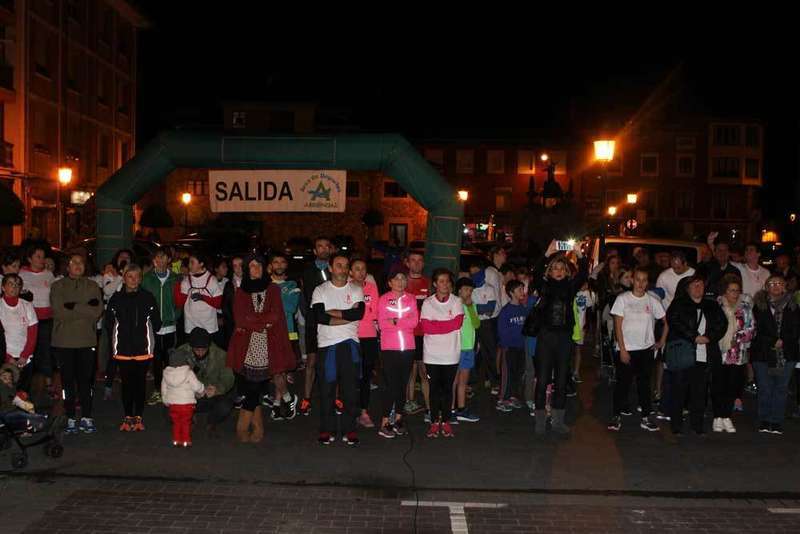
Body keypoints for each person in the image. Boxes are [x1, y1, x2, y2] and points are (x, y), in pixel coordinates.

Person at [227, 254, 292, 443]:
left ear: (264, 268)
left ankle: (245, 427)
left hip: (267, 346)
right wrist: (262, 322)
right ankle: (253, 428)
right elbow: (241, 318)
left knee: (255, 388)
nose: (255, 269)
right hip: (246, 347)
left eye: (258, 266)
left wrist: (254, 321)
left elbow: (276, 316)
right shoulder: (241, 291)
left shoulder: (273, 289)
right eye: (251, 266)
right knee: (252, 388)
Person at [530, 240, 588, 436]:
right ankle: (540, 420)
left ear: (566, 271)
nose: (559, 271)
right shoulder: (544, 286)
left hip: (564, 338)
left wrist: (580, 254)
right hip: (546, 337)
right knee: (543, 379)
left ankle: (558, 421)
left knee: (562, 381)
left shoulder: (571, 287)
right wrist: (547, 254)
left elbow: (583, 274)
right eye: (555, 268)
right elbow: (536, 273)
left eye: (562, 268)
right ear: (550, 271)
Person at [311, 253, 365, 446]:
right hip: (327, 345)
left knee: (350, 391)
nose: (343, 269)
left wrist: (332, 314)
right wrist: (347, 316)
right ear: (330, 268)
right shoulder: (320, 290)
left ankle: (350, 430)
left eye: (345, 265)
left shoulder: (356, 289)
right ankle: (327, 429)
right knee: (326, 391)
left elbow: (358, 314)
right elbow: (320, 317)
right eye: (339, 265)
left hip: (350, 344)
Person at [665, 275, 727, 435]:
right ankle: (676, 425)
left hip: (704, 355)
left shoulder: (712, 305)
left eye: (701, 285)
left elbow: (722, 324)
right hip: (683, 355)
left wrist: (709, 337)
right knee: (679, 391)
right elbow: (674, 321)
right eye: (694, 285)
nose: (698, 288)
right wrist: (693, 337)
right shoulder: (679, 304)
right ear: (687, 289)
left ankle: (697, 425)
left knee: (699, 392)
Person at [607, 267, 667, 432]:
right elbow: (618, 326)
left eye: (644, 280)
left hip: (646, 350)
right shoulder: (623, 299)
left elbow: (665, 321)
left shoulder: (652, 301)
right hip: (627, 349)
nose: (641, 283)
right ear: (632, 280)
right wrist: (623, 349)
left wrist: (661, 341)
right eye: (638, 279)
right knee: (623, 384)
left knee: (644, 385)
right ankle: (616, 416)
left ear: (647, 282)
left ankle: (646, 417)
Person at [50, 254, 103, 434]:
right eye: (74, 262)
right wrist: (84, 307)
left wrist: (73, 306)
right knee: (67, 381)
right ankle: (70, 416)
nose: (78, 265)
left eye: (81, 262)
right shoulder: (58, 286)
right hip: (64, 341)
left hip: (86, 340)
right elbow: (59, 312)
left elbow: (96, 312)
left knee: (86, 381)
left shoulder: (92, 286)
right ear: (67, 267)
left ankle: (87, 416)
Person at [105, 264, 162, 432]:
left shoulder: (147, 297)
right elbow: (109, 323)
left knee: (140, 383)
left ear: (141, 279)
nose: (133, 280)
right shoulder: (116, 299)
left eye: (137, 276)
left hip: (142, 348)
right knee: (126, 383)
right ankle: (127, 416)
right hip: (123, 349)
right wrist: (117, 340)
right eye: (130, 276)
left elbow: (156, 323)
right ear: (124, 278)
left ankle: (138, 417)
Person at [750, 274, 799, 435]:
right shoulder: (759, 306)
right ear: (766, 287)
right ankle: (764, 419)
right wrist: (773, 341)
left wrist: (783, 340)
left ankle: (776, 421)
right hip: (762, 352)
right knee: (765, 388)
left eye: (779, 283)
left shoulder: (793, 305)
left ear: (784, 286)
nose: (776, 286)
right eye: (772, 283)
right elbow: (756, 329)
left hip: (787, 352)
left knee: (781, 389)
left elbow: (796, 328)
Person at [420, 268, 463, 438]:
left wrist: (437, 324)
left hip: (451, 354)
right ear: (435, 284)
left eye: (448, 281)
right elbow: (426, 327)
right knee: (434, 389)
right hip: (432, 355)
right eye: (441, 281)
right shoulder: (428, 303)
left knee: (447, 389)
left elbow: (457, 323)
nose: (445, 284)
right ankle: (433, 422)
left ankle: (445, 421)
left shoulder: (456, 301)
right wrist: (446, 324)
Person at [376, 271, 419, 438]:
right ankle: (385, 421)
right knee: (390, 385)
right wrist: (402, 322)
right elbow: (382, 324)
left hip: (407, 348)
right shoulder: (384, 299)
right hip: (389, 348)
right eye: (396, 279)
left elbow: (414, 322)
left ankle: (399, 419)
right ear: (390, 282)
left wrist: (394, 321)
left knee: (402, 384)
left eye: (403, 278)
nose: (400, 282)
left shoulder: (411, 299)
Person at [171, 327, 235, 436]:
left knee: (226, 405)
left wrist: (218, 389)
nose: (200, 353)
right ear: (191, 346)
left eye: (204, 350)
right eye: (197, 350)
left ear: (209, 346)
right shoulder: (180, 354)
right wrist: (190, 390)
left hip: (211, 395)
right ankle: (189, 418)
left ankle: (211, 421)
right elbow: (174, 378)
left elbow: (228, 377)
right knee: (169, 410)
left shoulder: (220, 355)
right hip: (189, 397)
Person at [715, 275, 755, 432]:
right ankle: (718, 416)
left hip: (738, 354)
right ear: (725, 291)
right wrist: (723, 338)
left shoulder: (745, 308)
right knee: (719, 385)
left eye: (737, 290)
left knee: (733, 386)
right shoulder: (717, 306)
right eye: (732, 290)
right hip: (720, 353)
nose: (735, 293)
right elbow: (712, 327)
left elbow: (751, 329)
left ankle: (727, 416)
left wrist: (736, 337)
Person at [141, 249, 181, 406]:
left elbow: (180, 301)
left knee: (170, 359)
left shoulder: (176, 279)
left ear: (169, 259)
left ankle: (170, 390)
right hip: (153, 325)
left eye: (163, 257)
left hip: (171, 326)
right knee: (156, 360)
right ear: (154, 260)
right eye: (157, 257)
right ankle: (158, 390)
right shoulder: (146, 279)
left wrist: (175, 315)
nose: (160, 260)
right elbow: (143, 300)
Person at [298, 237, 333, 417]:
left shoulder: (336, 268)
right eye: (320, 246)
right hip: (314, 321)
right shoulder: (307, 271)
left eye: (327, 246)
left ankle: (335, 397)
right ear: (314, 250)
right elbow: (305, 297)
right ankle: (306, 398)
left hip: (332, 321)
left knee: (333, 360)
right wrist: (309, 317)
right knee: (311, 361)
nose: (324, 249)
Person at [19, 243, 56, 395]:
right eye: (38, 257)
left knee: (46, 351)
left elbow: (54, 295)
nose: (42, 260)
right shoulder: (22, 274)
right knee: (29, 351)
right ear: (29, 259)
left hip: (46, 318)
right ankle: (25, 387)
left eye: (43, 257)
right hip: (28, 320)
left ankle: (49, 384)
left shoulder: (49, 275)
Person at [268, 253, 300, 420]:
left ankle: (278, 403)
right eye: (276, 262)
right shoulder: (265, 284)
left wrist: (272, 303)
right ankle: (286, 399)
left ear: (286, 265)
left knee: (279, 370)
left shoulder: (292, 284)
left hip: (287, 333)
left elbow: (290, 307)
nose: (279, 265)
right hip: (268, 332)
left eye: (282, 262)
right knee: (276, 371)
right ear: (270, 265)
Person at [350, 258, 379, 429]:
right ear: (350, 272)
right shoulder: (345, 287)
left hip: (369, 336)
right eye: (356, 268)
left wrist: (359, 313)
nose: (360, 272)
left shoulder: (372, 288)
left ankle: (363, 412)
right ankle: (349, 411)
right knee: (350, 376)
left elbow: (375, 312)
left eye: (363, 269)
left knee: (366, 377)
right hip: (350, 336)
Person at [404, 250, 431, 417]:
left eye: (420, 260)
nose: (416, 263)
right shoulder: (401, 282)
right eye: (413, 260)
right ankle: (409, 402)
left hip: (425, 334)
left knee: (425, 371)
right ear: (407, 263)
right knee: (411, 370)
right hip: (407, 334)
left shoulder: (429, 283)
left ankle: (429, 408)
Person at [496, 280, 530, 413]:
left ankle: (512, 396)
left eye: (523, 289)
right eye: (519, 289)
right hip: (509, 348)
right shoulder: (506, 311)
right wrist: (506, 345)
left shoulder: (523, 309)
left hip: (521, 347)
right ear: (511, 293)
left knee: (518, 372)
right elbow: (501, 331)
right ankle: (502, 399)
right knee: (507, 373)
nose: (522, 292)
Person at [161, 345, 205, 447]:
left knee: (176, 422)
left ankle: (176, 440)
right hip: (186, 404)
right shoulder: (188, 372)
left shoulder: (166, 374)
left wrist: (165, 400)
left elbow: (163, 389)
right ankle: (186, 440)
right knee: (186, 422)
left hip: (174, 404)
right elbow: (196, 386)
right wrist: (202, 389)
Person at [0, 274, 38, 391]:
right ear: (3, 287)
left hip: (25, 357)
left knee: (23, 393)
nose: (14, 287)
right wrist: (7, 357)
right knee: (6, 393)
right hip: (4, 356)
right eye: (11, 284)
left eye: (17, 285)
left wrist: (25, 355)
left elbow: (33, 333)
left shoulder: (27, 305)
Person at [453, 277, 480, 423]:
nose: (468, 292)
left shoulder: (471, 305)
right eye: (466, 289)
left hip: (468, 347)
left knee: (463, 381)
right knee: (453, 381)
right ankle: (450, 410)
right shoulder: (454, 304)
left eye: (470, 290)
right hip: (455, 347)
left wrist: (470, 307)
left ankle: (461, 409)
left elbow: (476, 324)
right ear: (459, 291)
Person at [175, 254, 223, 336]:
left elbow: (219, 304)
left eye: (192, 262)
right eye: (189, 262)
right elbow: (179, 303)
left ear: (201, 264)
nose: (189, 265)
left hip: (208, 326)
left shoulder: (212, 280)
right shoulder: (186, 280)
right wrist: (177, 284)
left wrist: (203, 298)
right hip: (191, 325)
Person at [469, 261, 498, 395]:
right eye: (472, 273)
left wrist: (474, 307)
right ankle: (471, 383)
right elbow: (468, 307)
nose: (475, 275)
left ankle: (493, 382)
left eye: (477, 272)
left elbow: (490, 309)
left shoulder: (490, 288)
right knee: (472, 353)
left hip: (486, 324)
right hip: (472, 324)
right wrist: (479, 308)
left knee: (490, 352)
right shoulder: (469, 289)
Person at [212, 258, 231, 349]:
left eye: (226, 267)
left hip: (226, 316)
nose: (226, 269)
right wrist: (216, 318)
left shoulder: (227, 281)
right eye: (223, 267)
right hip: (213, 316)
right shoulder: (210, 282)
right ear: (216, 269)